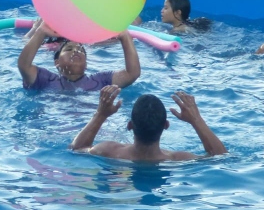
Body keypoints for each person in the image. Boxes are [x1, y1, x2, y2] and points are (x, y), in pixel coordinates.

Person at [70, 88, 227, 161]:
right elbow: (221, 157)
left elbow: (75, 149)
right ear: (166, 125)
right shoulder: (178, 160)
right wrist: (196, 120)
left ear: (130, 125)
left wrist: (101, 114)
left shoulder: (108, 151)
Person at [18, 20, 140, 91]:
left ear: (86, 64)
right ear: (57, 62)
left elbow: (132, 73)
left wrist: (125, 36)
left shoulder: (100, 81)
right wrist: (41, 32)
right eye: (69, 49)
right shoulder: (46, 80)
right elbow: (24, 66)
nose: (76, 51)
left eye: (80, 50)